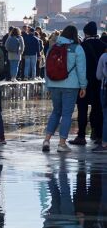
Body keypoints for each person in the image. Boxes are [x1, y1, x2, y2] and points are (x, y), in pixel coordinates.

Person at [42, 25, 87, 153]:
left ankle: (46, 140)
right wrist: (83, 86)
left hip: (54, 84)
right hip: (71, 86)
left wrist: (48, 85)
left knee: (56, 112)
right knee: (67, 114)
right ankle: (62, 144)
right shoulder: (77, 48)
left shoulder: (52, 47)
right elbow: (81, 70)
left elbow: (47, 68)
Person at [70, 21, 105, 146]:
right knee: (98, 109)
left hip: (83, 82)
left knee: (82, 108)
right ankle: (97, 134)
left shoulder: (82, 46)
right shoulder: (103, 45)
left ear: (85, 32)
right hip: (99, 82)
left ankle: (81, 136)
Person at [95, 41, 107, 152]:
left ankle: (104, 143)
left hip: (105, 88)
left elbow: (98, 76)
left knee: (106, 116)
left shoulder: (104, 56)